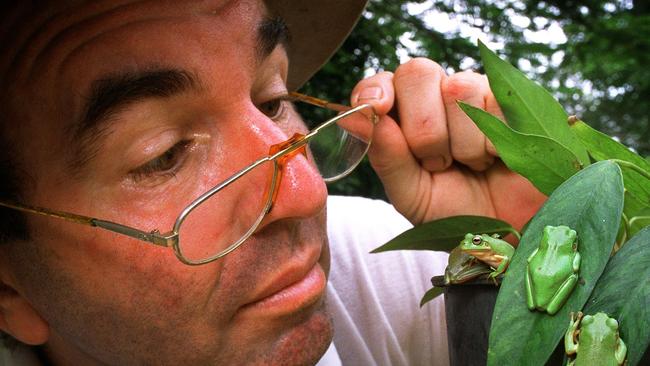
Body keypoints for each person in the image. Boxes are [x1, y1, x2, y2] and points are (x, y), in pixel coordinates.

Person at [0, 0, 545, 365]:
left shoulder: (386, 258)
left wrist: (545, 246)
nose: (306, 191)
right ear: (8, 292)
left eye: (274, 100)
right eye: (162, 155)